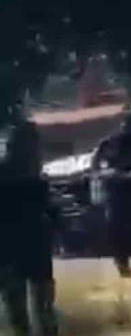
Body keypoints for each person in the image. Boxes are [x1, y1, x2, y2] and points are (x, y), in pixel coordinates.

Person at [0, 105, 59, 335]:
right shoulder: (31, 178)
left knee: (28, 313)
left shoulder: (34, 176)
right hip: (20, 249)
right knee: (32, 311)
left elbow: (47, 212)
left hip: (22, 250)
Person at [96, 126, 131, 278]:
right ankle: (122, 264)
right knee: (117, 231)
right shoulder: (105, 145)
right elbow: (96, 169)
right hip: (115, 196)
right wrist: (110, 174)